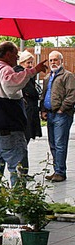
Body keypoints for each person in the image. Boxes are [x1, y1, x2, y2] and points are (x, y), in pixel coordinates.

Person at [0, 41, 47, 186]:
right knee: (18, 170)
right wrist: (33, 71)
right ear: (8, 54)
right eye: (16, 56)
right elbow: (10, 85)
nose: (16, 59)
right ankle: (18, 203)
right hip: (8, 130)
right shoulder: (5, 70)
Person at [40, 51, 75, 182]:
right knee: (53, 143)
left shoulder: (67, 76)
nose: (53, 62)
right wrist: (43, 110)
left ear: (61, 61)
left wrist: (62, 109)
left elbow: (72, 94)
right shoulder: (47, 77)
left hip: (62, 115)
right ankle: (56, 170)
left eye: (55, 60)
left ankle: (60, 172)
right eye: (51, 60)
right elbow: (44, 95)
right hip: (50, 114)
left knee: (60, 144)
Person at [13, 50, 42, 175]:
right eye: (28, 62)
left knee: (24, 144)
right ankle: (22, 172)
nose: (30, 65)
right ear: (22, 62)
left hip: (28, 114)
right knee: (23, 145)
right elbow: (31, 92)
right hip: (26, 115)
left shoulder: (26, 75)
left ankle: (23, 172)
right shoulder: (21, 73)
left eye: (31, 63)